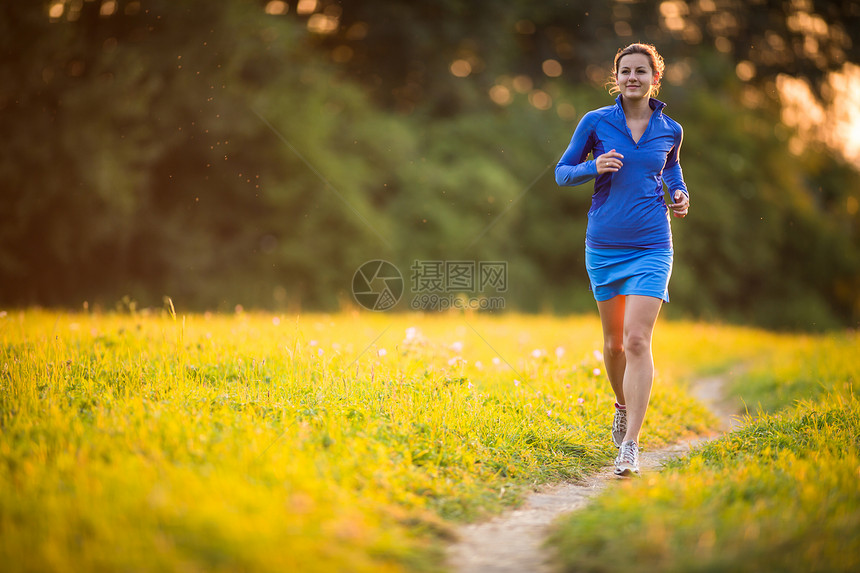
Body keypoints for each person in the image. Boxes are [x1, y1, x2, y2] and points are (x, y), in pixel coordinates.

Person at [555, 43, 690, 477]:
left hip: (653, 244)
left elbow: (671, 169)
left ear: (655, 78)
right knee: (613, 345)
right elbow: (561, 172)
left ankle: (630, 444)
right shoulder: (596, 122)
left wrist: (680, 193)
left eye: (641, 71)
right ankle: (621, 403)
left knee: (636, 341)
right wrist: (594, 167)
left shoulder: (671, 128)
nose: (633, 77)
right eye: (626, 71)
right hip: (604, 246)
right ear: (617, 77)